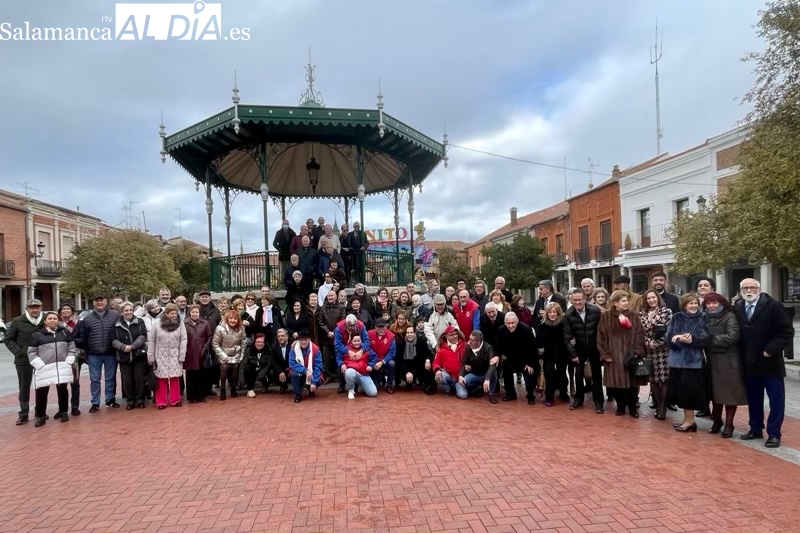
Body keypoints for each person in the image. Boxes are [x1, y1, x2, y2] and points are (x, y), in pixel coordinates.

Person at [734, 278, 794, 448]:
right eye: (745, 288)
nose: (749, 290)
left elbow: (786, 331)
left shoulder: (773, 306)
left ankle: (774, 433)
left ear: (759, 289)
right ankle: (755, 428)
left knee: (776, 400)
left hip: (770, 363)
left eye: (752, 287)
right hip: (749, 363)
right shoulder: (738, 307)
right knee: (754, 399)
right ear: (740, 290)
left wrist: (770, 349)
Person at [702, 292, 746, 438]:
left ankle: (729, 424)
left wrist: (710, 339)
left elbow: (732, 336)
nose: (712, 305)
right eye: (708, 303)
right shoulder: (704, 318)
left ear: (721, 303)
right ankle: (717, 421)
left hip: (728, 362)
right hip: (711, 361)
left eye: (715, 303)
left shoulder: (729, 316)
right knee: (715, 394)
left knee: (729, 396)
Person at [596, 290, 646, 418]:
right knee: (616, 386)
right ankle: (620, 406)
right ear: (615, 303)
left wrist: (636, 351)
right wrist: (605, 354)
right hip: (614, 356)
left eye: (627, 300)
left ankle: (632, 407)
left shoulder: (634, 316)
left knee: (632, 385)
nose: (626, 303)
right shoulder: (606, 316)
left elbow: (640, 334)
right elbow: (601, 336)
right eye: (623, 301)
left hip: (630, 356)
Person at [665, 293, 709, 432]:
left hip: (693, 362)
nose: (694, 306)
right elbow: (668, 337)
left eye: (696, 303)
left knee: (689, 393)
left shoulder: (703, 318)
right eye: (691, 303)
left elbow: (705, 338)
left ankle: (690, 421)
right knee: (680, 392)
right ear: (684, 305)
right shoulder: (676, 317)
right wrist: (678, 339)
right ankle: (686, 419)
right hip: (677, 361)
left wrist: (691, 339)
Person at [73, 294, 122, 412]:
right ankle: (95, 402)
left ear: (106, 302)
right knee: (95, 379)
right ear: (93, 303)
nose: (99, 303)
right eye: (97, 301)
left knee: (110, 378)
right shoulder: (87, 318)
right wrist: (86, 353)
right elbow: (84, 337)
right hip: (94, 354)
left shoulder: (115, 316)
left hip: (110, 352)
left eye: (102, 300)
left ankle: (110, 399)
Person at [27, 311, 76, 427]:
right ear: (45, 321)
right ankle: (40, 416)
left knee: (63, 390)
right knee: (41, 393)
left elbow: (71, 347)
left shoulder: (64, 332)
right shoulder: (37, 335)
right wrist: (39, 364)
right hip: (44, 367)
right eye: (50, 319)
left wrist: (69, 359)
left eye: (55, 318)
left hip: (62, 366)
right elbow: (32, 352)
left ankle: (63, 412)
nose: (52, 320)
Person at [563, 290, 603, 412]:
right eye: (574, 300)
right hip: (579, 348)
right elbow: (567, 337)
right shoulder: (568, 315)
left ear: (585, 299)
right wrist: (573, 354)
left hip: (594, 347)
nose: (577, 302)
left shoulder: (595, 311)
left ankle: (599, 402)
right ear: (571, 300)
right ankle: (578, 400)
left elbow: (601, 331)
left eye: (579, 299)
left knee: (596, 375)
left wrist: (601, 348)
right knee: (578, 374)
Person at [6, 298, 44, 425]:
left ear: (41, 308)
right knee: (24, 386)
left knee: (41, 386)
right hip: (23, 360)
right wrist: (19, 352)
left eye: (37, 307)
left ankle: (40, 412)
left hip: (42, 359)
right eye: (32, 307)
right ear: (27, 309)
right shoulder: (17, 321)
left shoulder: (45, 320)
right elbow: (9, 339)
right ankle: (23, 413)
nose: (34, 310)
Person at [639, 290, 673, 420]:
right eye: (649, 298)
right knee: (653, 380)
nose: (651, 300)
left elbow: (669, 330)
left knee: (664, 380)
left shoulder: (667, 312)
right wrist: (648, 343)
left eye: (653, 297)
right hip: (649, 351)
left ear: (658, 298)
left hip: (663, 350)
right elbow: (641, 333)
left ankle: (663, 407)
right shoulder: (642, 314)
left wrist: (658, 343)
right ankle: (658, 404)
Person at [147, 303, 187, 409]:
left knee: (175, 378)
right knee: (161, 378)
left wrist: (182, 355)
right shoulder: (156, 324)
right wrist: (150, 355)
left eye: (175, 313)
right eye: (172, 313)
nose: (174, 315)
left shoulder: (180, 324)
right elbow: (151, 340)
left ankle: (175, 399)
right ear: (166, 314)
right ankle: (161, 401)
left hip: (175, 353)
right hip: (160, 353)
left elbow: (183, 339)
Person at [112, 302, 149, 410]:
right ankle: (130, 400)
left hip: (138, 355)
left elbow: (143, 336)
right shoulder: (116, 324)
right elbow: (113, 339)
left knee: (139, 379)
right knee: (127, 380)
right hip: (123, 356)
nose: (128, 312)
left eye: (130, 310)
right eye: (126, 310)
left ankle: (140, 399)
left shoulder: (139, 321)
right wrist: (123, 347)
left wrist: (133, 346)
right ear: (122, 312)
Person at [495, 312, 537, 404]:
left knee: (529, 375)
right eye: (508, 323)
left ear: (517, 322)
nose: (510, 325)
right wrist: (500, 355)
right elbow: (498, 346)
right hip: (509, 358)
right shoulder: (501, 330)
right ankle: (510, 394)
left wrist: (530, 363)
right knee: (506, 371)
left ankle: (530, 396)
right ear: (505, 323)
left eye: (512, 323)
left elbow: (532, 348)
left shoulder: (526, 329)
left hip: (525, 358)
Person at [536, 302, 570, 406]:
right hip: (548, 354)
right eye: (550, 312)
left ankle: (563, 393)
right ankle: (549, 397)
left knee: (562, 374)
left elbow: (567, 337)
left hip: (562, 353)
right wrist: (540, 354)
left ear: (558, 313)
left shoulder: (563, 324)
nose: (552, 314)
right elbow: (539, 341)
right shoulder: (542, 325)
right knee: (549, 375)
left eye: (554, 312)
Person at [212, 309, 247, 400]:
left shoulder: (241, 328)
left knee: (235, 368)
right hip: (223, 353)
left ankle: (233, 388)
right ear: (227, 319)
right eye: (231, 318)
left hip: (236, 353)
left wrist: (241, 355)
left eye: (235, 319)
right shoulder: (219, 328)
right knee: (224, 368)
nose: (233, 320)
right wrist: (223, 356)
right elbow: (215, 344)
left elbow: (243, 343)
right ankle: (223, 389)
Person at [457, 330, 498, 403]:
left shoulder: (488, 348)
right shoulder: (468, 347)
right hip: (475, 373)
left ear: (478, 342)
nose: (469, 342)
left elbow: (492, 365)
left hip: (486, 373)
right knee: (465, 381)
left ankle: (491, 394)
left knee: (494, 373)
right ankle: (477, 388)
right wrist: (461, 375)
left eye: (472, 340)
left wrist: (487, 378)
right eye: (469, 339)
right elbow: (464, 362)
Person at [183, 303, 213, 403]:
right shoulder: (184, 323)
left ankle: (202, 395)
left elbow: (209, 336)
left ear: (199, 313)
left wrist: (204, 348)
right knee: (191, 375)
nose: (194, 314)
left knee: (202, 375)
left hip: (202, 352)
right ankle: (192, 397)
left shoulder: (205, 323)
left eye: (196, 312)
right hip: (189, 352)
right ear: (189, 312)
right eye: (193, 312)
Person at [58, 302, 84, 417]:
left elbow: (83, 338)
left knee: (75, 382)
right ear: (60, 311)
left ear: (72, 311)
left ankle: (75, 407)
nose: (66, 311)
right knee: (61, 384)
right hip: (60, 356)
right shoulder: (56, 324)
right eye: (63, 309)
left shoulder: (79, 323)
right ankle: (62, 408)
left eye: (68, 308)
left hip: (75, 357)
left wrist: (68, 341)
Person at [334, 314, 371, 393]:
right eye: (350, 325)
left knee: (359, 362)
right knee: (340, 362)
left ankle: (357, 383)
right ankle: (341, 384)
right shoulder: (338, 328)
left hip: (358, 346)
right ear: (346, 324)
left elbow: (367, 341)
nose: (352, 327)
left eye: (353, 325)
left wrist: (361, 350)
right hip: (344, 347)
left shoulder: (361, 326)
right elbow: (337, 345)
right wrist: (348, 351)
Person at [394, 324, 435, 394]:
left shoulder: (421, 342)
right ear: (405, 334)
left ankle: (428, 385)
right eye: (408, 333)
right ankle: (401, 382)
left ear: (415, 333)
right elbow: (399, 360)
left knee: (428, 365)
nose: (409, 334)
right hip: (407, 368)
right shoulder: (401, 344)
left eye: (411, 332)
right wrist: (407, 372)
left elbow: (429, 354)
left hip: (419, 366)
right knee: (408, 387)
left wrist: (427, 360)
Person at [287, 329, 323, 403]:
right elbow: (292, 363)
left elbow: (318, 366)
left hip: (312, 371)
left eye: (306, 340)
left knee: (319, 380)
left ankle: (310, 388)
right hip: (300, 372)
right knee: (294, 374)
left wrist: (314, 382)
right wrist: (305, 371)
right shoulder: (293, 348)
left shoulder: (316, 349)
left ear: (309, 339)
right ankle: (298, 394)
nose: (303, 342)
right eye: (301, 340)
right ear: (298, 340)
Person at [317, 289, 346, 381]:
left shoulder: (341, 307)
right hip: (326, 337)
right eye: (329, 296)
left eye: (332, 296)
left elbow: (343, 320)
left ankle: (338, 376)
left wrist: (334, 332)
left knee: (338, 356)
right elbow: (320, 321)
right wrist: (327, 331)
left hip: (337, 337)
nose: (330, 297)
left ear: (336, 297)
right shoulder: (322, 308)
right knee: (327, 358)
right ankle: (329, 376)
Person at [339, 333, 377, 400]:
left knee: (373, 393)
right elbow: (338, 357)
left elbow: (374, 357)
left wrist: (370, 365)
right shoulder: (346, 349)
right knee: (349, 373)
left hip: (364, 373)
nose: (357, 343)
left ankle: (361, 386)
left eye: (359, 341)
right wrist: (342, 364)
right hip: (352, 371)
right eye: (355, 341)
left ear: (361, 341)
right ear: (351, 341)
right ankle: (350, 389)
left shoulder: (366, 349)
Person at [433, 325, 466, 395]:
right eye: (452, 335)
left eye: (456, 334)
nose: (455, 336)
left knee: (463, 395)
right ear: (446, 336)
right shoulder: (441, 350)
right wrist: (437, 370)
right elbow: (435, 363)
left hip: (461, 376)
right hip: (449, 376)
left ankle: (455, 388)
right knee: (440, 376)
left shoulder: (465, 345)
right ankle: (448, 388)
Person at [259, 328, 291, 394]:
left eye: (282, 336)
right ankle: (283, 385)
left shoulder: (293, 345)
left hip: (291, 368)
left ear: (287, 336)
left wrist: (290, 367)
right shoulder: (273, 347)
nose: (280, 338)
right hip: (280, 369)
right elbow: (272, 362)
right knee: (271, 372)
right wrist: (280, 371)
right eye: (279, 336)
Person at [368, 318, 396, 394]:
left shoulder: (391, 336)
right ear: (375, 327)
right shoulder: (369, 334)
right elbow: (367, 348)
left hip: (385, 360)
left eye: (382, 327)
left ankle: (389, 385)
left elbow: (392, 353)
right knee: (375, 388)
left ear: (386, 327)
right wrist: (375, 360)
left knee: (392, 364)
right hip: (373, 360)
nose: (381, 329)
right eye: (379, 327)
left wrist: (382, 362)